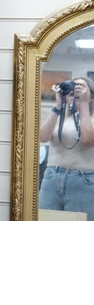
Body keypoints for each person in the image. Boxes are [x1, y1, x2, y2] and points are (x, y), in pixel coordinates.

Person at [39, 76, 94, 220]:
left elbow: (87, 139)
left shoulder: (92, 119)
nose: (74, 91)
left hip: (84, 182)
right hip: (51, 178)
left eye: (80, 87)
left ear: (91, 95)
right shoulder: (61, 118)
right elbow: (42, 137)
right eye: (72, 87)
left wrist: (84, 102)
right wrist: (58, 106)